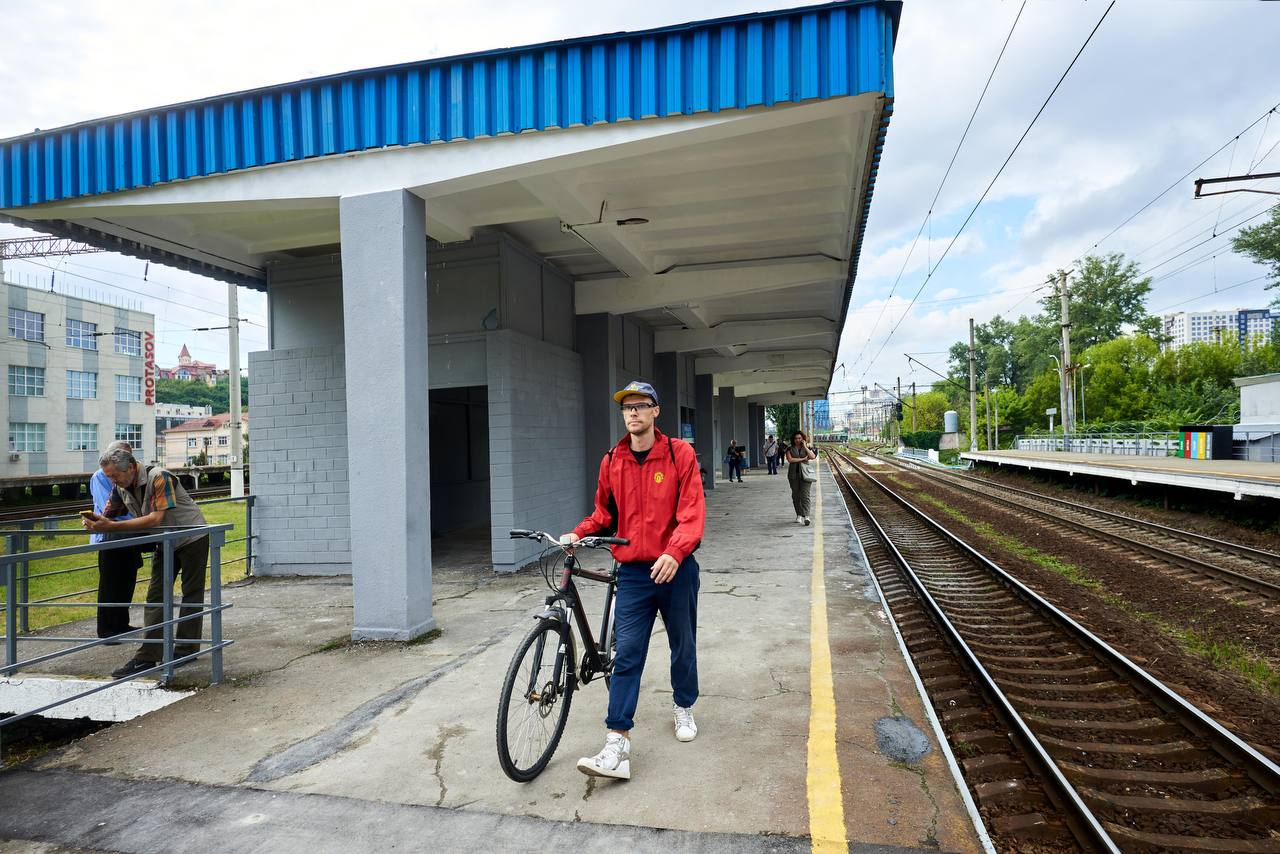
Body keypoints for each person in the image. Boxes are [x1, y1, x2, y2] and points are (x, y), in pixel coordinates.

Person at [565, 380, 706, 781]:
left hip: (676, 570)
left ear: (656, 411)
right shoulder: (612, 460)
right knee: (626, 654)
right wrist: (579, 532)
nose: (632, 413)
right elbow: (603, 514)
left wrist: (674, 551)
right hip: (633, 574)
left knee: (683, 644)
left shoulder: (680, 455)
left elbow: (692, 512)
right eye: (627, 407)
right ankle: (617, 741)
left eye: (641, 406)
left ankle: (683, 704)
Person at [82, 447, 210, 678]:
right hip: (166, 540)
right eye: (108, 476)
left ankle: (186, 649)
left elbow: (155, 518)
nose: (112, 480)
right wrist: (96, 521)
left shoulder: (159, 477)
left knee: (191, 593)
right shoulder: (121, 487)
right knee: (155, 596)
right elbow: (110, 513)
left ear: (131, 467)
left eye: (114, 475)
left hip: (192, 537)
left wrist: (110, 527)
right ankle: (148, 656)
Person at [90, 440, 144, 643]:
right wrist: (139, 520)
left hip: (129, 533)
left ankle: (122, 623)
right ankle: (106, 629)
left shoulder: (129, 474)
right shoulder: (101, 476)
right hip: (111, 535)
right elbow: (109, 507)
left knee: (127, 578)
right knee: (110, 582)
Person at [785, 430, 817, 526]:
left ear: (803, 439)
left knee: (805, 495)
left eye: (799, 438)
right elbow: (790, 460)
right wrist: (803, 459)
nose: (797, 440)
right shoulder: (789, 449)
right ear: (793, 440)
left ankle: (806, 516)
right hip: (793, 475)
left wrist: (805, 447)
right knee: (796, 495)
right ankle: (799, 514)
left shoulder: (807, 447)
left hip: (806, 475)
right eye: (796, 438)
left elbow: (812, 456)